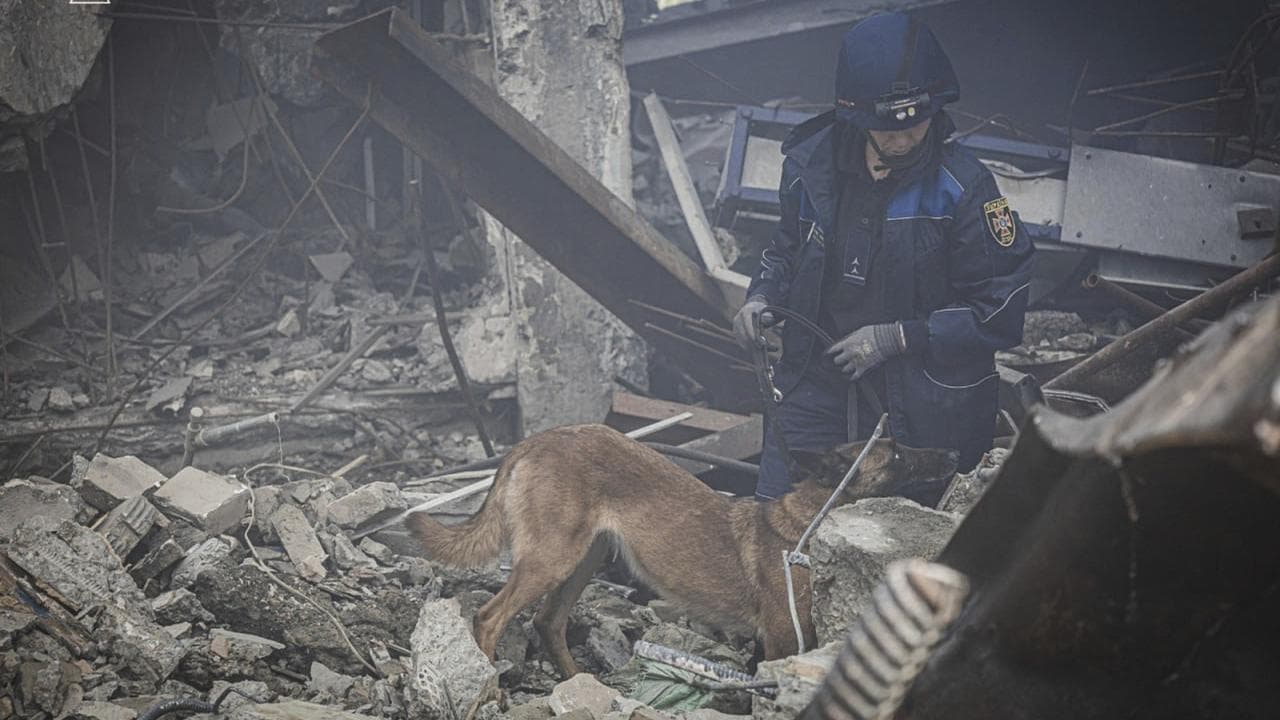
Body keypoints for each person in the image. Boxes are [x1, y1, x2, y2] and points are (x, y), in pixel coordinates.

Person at [733, 12, 1035, 501]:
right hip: (817, 386)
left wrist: (898, 337)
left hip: (923, 403)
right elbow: (784, 248)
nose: (904, 138)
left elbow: (1002, 306)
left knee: (910, 548)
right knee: (779, 522)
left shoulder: (966, 189)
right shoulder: (810, 168)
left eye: (917, 124)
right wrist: (760, 295)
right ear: (856, 118)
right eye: (887, 129)